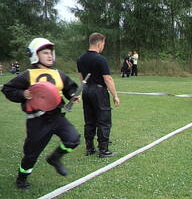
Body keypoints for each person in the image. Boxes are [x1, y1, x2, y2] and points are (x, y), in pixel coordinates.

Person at [1, 38, 81, 189]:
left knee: (73, 139)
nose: (50, 55)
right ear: (35, 55)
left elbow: (70, 88)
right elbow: (8, 89)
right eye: (45, 53)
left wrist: (72, 95)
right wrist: (23, 94)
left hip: (56, 117)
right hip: (37, 121)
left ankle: (55, 159)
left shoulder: (59, 74)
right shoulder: (27, 75)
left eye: (51, 53)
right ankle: (22, 178)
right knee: (31, 155)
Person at [77, 32, 120, 158]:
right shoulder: (100, 59)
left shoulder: (80, 58)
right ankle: (104, 150)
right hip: (99, 91)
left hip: (86, 90)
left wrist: (81, 92)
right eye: (103, 44)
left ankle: (89, 148)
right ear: (99, 43)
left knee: (89, 120)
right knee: (104, 120)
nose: (103, 46)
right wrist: (115, 95)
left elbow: (81, 78)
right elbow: (108, 79)